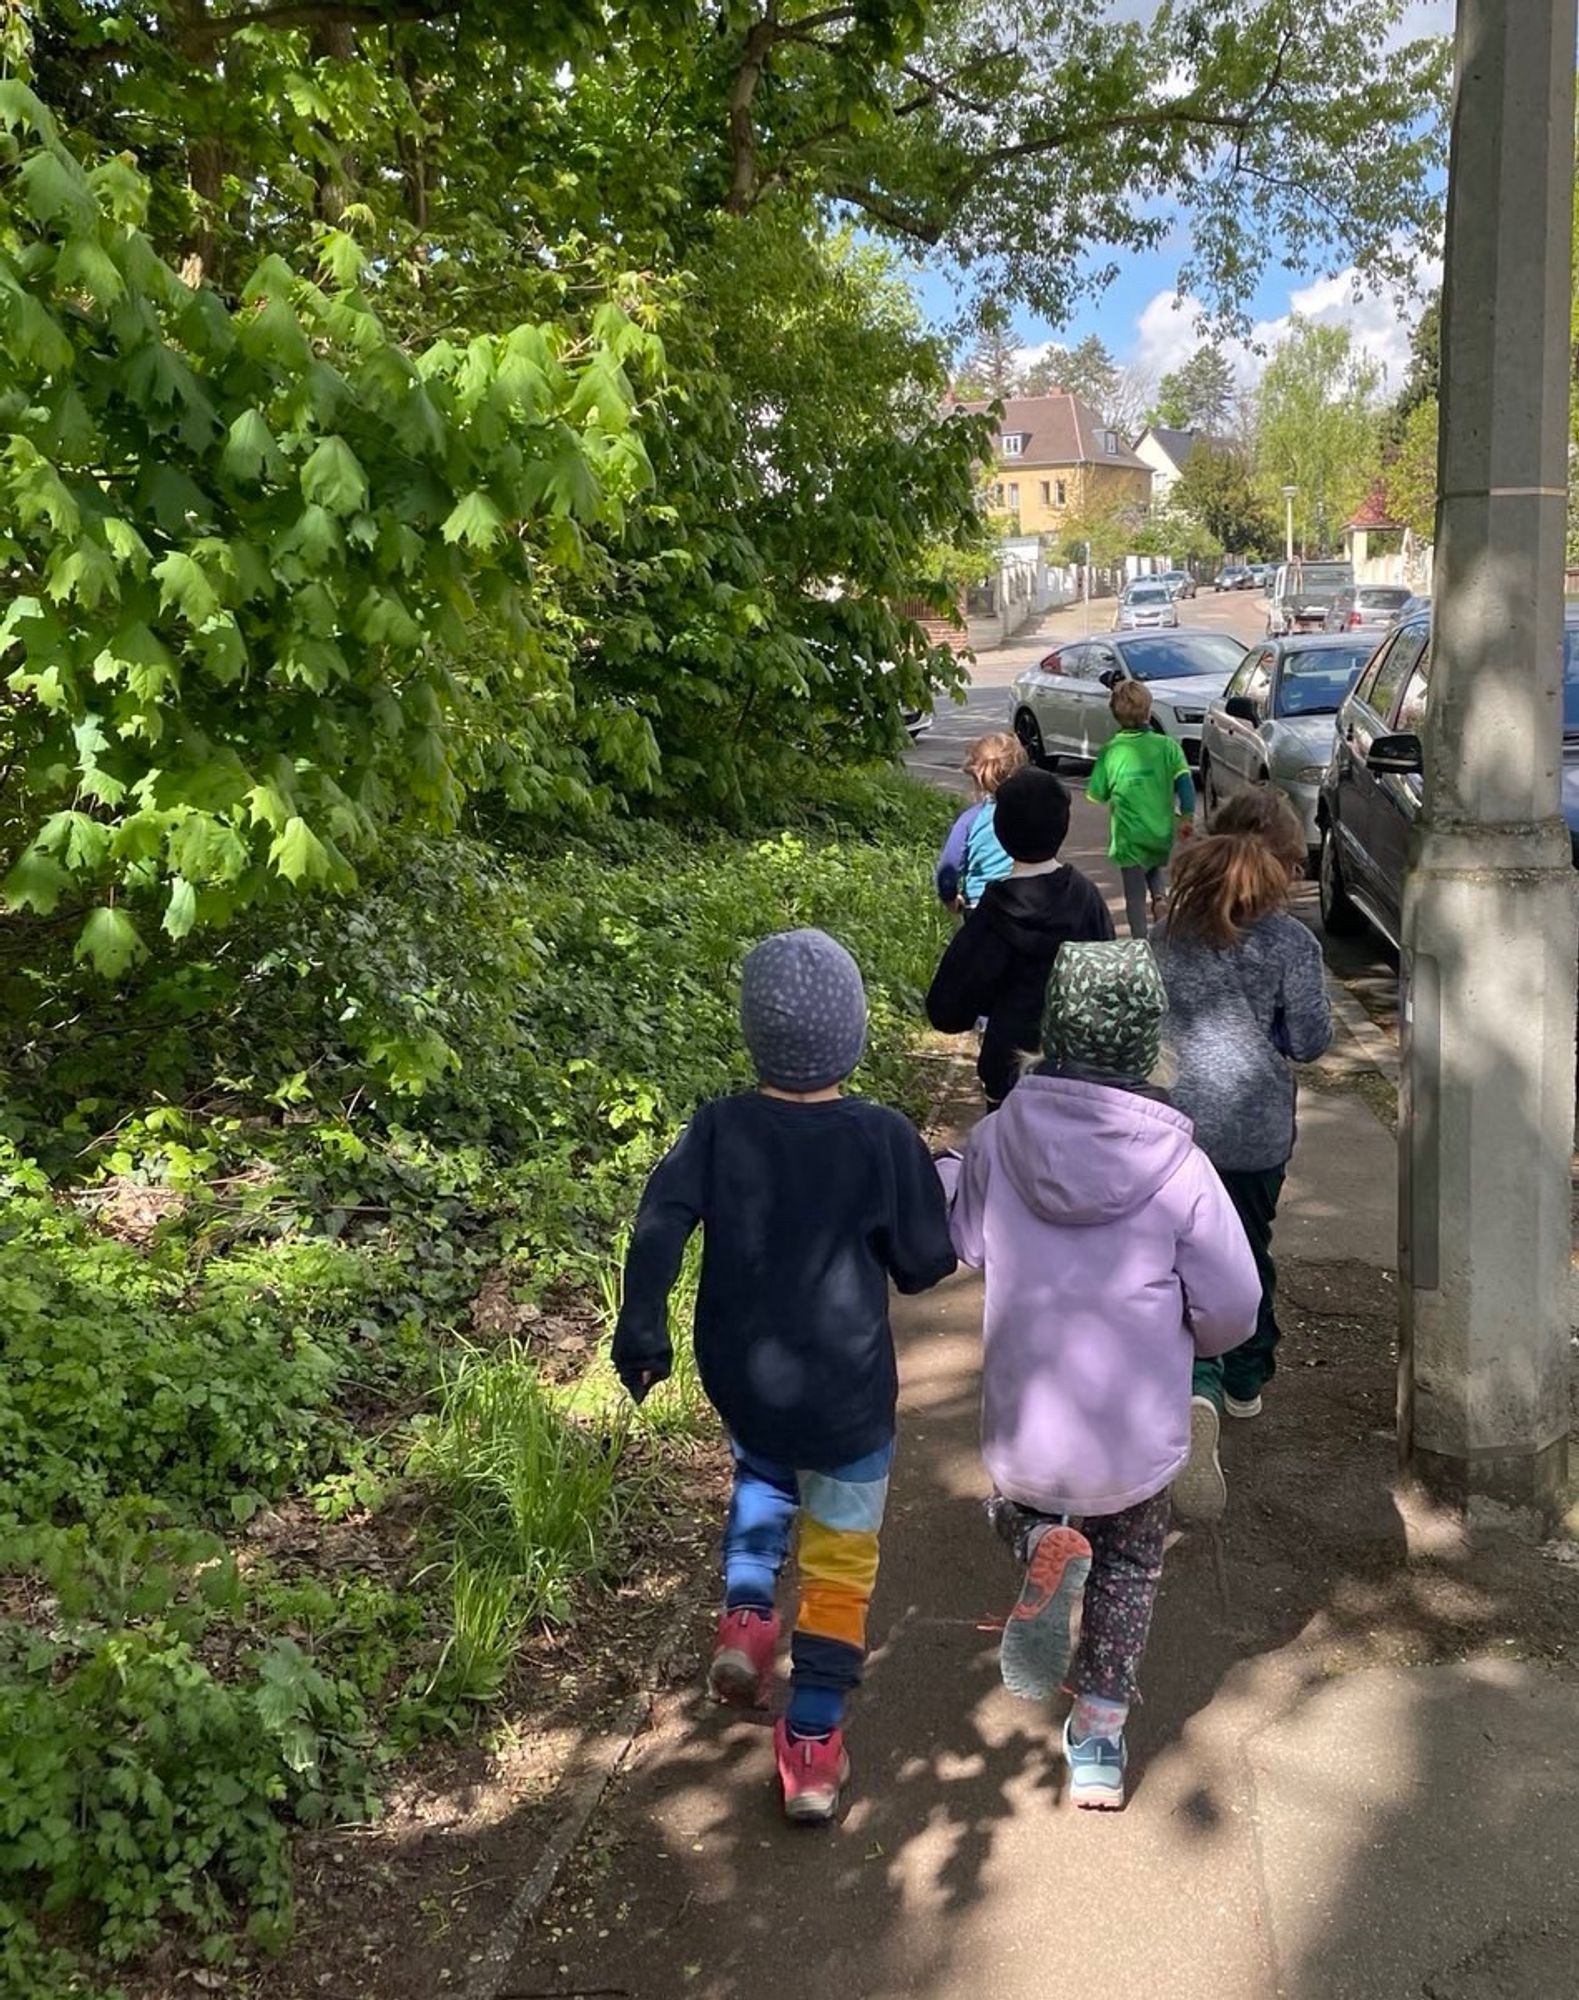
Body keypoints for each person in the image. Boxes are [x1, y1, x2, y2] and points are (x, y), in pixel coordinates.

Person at [611, 928, 956, 1826]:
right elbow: (923, 1266)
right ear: (853, 1033)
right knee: (840, 1565)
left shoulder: (718, 1127)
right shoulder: (882, 1138)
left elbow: (657, 1223)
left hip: (745, 1377)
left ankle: (748, 1618)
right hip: (845, 1396)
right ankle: (809, 1743)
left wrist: (641, 1332)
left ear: (752, 1033)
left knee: (762, 1478)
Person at [938, 942, 1259, 1809]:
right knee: (1127, 1568)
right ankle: (1099, 1746)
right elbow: (1233, 1304)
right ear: (1148, 1041)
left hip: (1029, 1427)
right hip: (1135, 1432)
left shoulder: (998, 1139)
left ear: (1051, 1032)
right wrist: (1192, 1339)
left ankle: (1038, 1542)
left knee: (1012, 1500)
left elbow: (963, 1240)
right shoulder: (1181, 1168)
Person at [1153, 787, 1332, 1474]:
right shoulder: (1291, 943)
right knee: (1245, 1248)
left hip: (1170, 1126)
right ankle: (1243, 1377)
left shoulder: (1166, 936)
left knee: (1175, 1256)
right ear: (1284, 865)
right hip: (1254, 1128)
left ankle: (1189, 1380)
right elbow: (1310, 1040)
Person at [926, 767, 1113, 1107]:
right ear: (1063, 826)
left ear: (999, 832)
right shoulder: (1086, 898)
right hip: (1078, 1072)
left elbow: (946, 1009)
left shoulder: (993, 913)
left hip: (1010, 1075)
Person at [1086, 680, 1197, 940]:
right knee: (1154, 867)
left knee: (1134, 898)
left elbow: (1097, 794)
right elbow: (1186, 784)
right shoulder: (1167, 746)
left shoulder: (1111, 752)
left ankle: (1141, 943)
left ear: (1116, 715)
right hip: (1160, 831)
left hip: (1129, 837)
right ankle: (1160, 901)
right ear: (1148, 711)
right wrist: (1187, 817)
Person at [935, 731, 1026, 911]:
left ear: (977, 778)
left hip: (980, 905)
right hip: (1025, 901)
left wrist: (950, 898)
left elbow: (949, 866)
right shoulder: (1030, 813)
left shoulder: (970, 820)